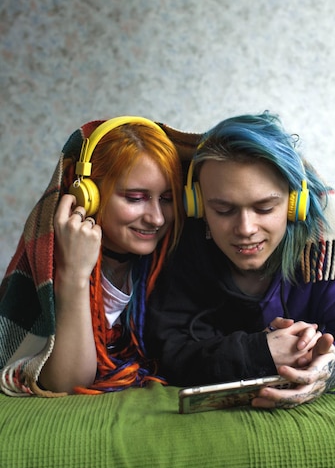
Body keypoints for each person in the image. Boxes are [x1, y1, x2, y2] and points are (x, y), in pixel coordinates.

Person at [148, 111, 335, 409]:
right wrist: (258, 352)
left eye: (265, 208)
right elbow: (167, 349)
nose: (245, 229)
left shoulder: (333, 244)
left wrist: (333, 368)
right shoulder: (183, 244)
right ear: (198, 205)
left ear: (296, 203)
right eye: (223, 210)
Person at [0, 116, 197, 397]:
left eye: (167, 199)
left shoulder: (169, 261)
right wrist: (74, 274)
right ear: (87, 195)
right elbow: (68, 383)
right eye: (135, 197)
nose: (156, 218)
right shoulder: (51, 261)